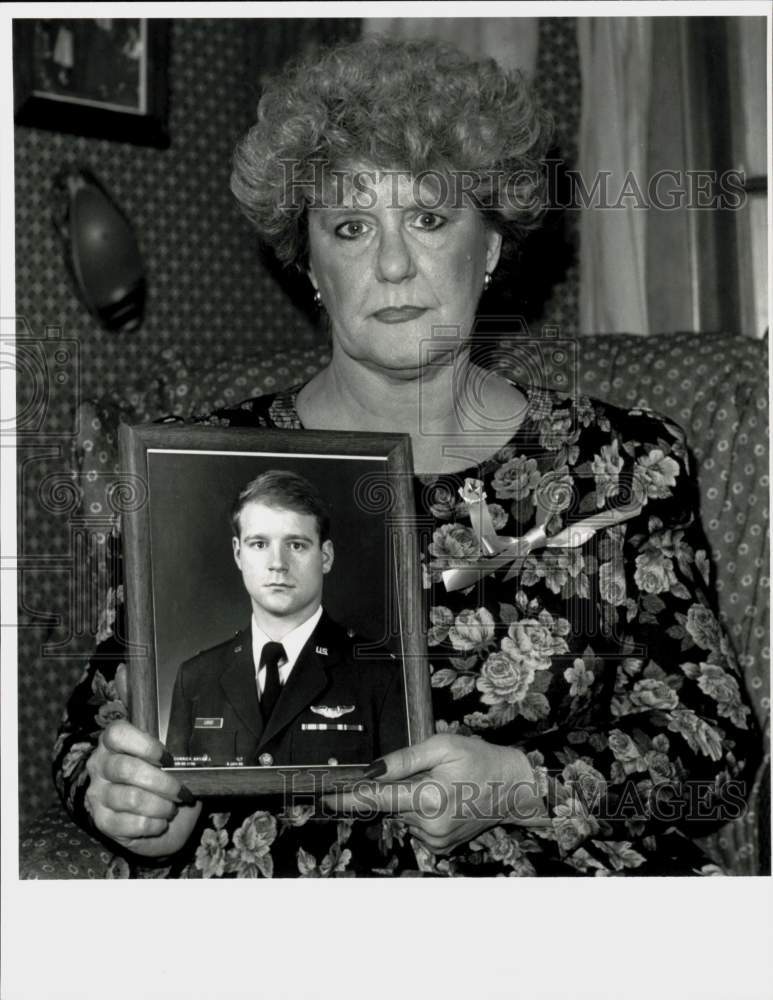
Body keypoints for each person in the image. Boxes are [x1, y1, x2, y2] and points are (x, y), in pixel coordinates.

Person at [54, 35, 760, 877]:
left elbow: (710, 747)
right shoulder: (197, 466)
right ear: (308, 262)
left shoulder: (624, 462)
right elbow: (93, 734)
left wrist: (520, 784)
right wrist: (130, 806)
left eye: (429, 218)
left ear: (490, 246)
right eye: (351, 227)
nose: (391, 263)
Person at [164, 469, 406, 767]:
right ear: (238, 554)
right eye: (260, 544)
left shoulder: (380, 673)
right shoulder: (196, 677)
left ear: (325, 556)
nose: (278, 564)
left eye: (296, 545)